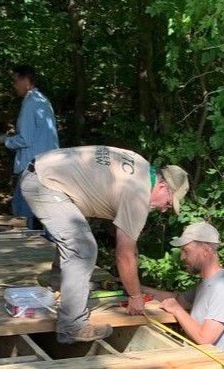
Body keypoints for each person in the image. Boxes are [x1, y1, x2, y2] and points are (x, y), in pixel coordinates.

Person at [19, 145, 189, 342]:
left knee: (77, 236)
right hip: (44, 183)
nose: (163, 210)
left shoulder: (141, 165)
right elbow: (124, 254)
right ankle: (72, 326)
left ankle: (59, 286)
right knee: (83, 248)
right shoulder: (138, 196)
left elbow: (130, 247)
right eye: (168, 203)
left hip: (44, 171)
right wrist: (135, 297)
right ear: (162, 187)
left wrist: (134, 286)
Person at [144, 222, 224, 352]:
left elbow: (205, 338)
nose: (182, 257)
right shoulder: (207, 283)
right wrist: (139, 289)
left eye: (186, 251)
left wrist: (177, 310)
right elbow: (178, 300)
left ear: (206, 250)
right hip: (194, 362)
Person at [0, 65, 59, 228]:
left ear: (25, 80)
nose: (14, 85)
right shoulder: (43, 100)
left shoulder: (30, 102)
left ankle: (26, 250)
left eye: (15, 81)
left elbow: (25, 139)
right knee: (47, 213)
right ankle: (49, 249)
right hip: (49, 166)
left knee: (22, 214)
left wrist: (6, 140)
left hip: (32, 168)